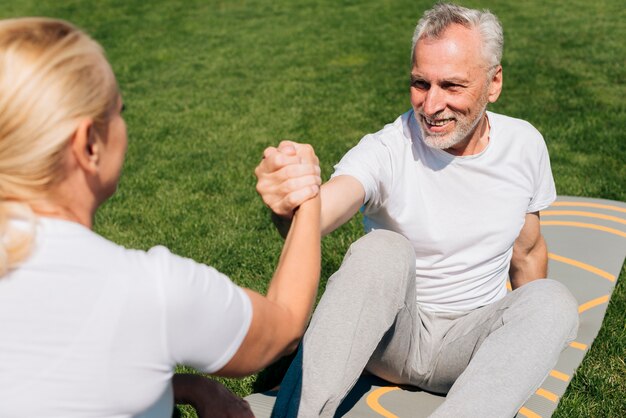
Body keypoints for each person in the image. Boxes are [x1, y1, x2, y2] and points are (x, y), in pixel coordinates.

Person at [255, 3, 579, 417]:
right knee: (382, 250)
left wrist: (523, 338)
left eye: (452, 86)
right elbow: (323, 211)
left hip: (470, 344)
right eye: (420, 83)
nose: (431, 105)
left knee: (551, 300)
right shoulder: (387, 150)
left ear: (493, 82)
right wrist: (292, 206)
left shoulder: (525, 145)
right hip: (391, 340)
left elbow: (529, 252)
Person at [0, 17, 322, 418]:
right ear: (88, 145)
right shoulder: (149, 290)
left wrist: (184, 386)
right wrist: (307, 192)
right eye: (120, 111)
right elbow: (284, 327)